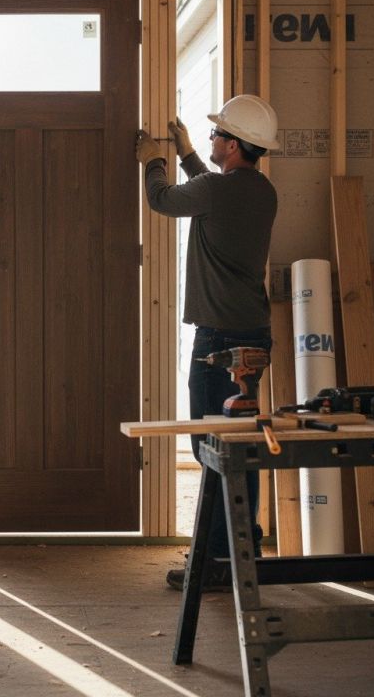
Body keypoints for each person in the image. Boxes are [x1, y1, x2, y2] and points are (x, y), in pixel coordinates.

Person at [135, 94, 279, 591]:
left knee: (214, 450)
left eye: (218, 134)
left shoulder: (215, 192)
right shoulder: (262, 192)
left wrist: (153, 159)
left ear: (235, 145)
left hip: (218, 340)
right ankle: (245, 548)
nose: (212, 139)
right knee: (240, 444)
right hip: (253, 335)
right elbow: (210, 189)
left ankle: (219, 559)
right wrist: (187, 152)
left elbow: (165, 199)